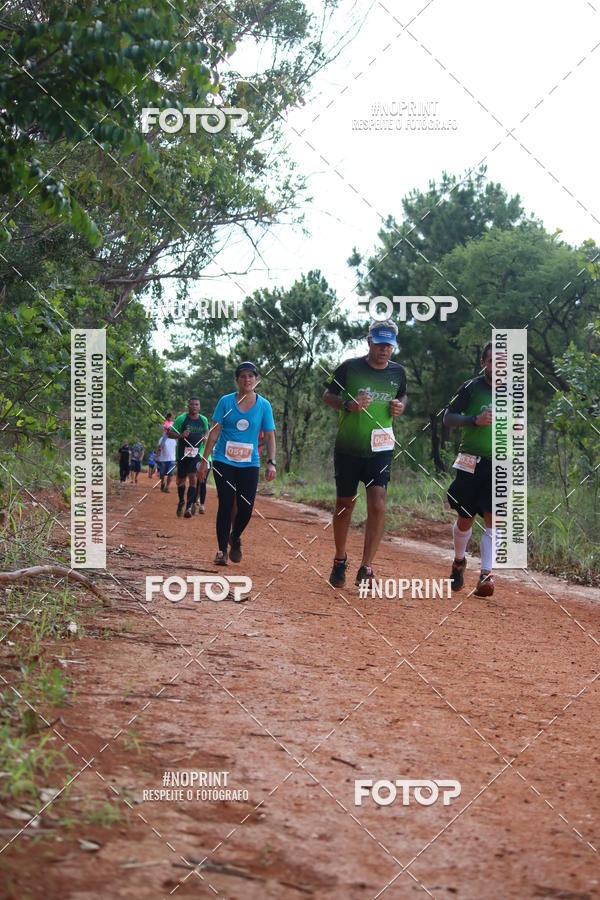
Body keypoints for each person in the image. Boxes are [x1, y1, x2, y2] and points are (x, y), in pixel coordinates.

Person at [323, 320, 407, 588]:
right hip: (349, 447)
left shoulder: (398, 372)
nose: (384, 350)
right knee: (345, 505)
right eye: (379, 343)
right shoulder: (349, 367)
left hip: (381, 447)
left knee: (378, 502)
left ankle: (367, 566)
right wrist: (348, 405)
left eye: (389, 345)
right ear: (369, 342)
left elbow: (403, 396)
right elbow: (327, 396)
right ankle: (339, 559)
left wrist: (399, 406)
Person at [198, 362, 276, 565]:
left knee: (246, 507)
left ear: (256, 380)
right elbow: (214, 432)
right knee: (225, 504)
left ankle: (235, 536)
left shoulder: (264, 405)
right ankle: (222, 551)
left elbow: (269, 435)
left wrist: (272, 462)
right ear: (237, 380)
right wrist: (204, 460)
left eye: (251, 376)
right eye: (243, 376)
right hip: (224, 460)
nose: (247, 380)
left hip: (249, 463)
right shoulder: (225, 402)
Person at [443, 341, 494, 597]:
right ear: (484, 362)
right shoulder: (470, 388)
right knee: (466, 519)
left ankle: (486, 575)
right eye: (492, 361)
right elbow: (448, 417)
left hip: (499, 463)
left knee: (493, 519)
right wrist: (474, 420)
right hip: (470, 461)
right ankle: (459, 561)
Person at [169, 399, 208, 518]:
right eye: (192, 404)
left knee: (193, 479)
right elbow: (170, 434)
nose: (194, 407)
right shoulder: (181, 419)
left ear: (200, 406)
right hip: (182, 455)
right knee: (180, 481)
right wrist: (181, 435)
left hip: (195, 455)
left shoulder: (203, 420)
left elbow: (206, 433)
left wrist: (205, 438)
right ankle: (181, 501)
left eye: (197, 404)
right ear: (188, 406)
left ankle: (188, 507)